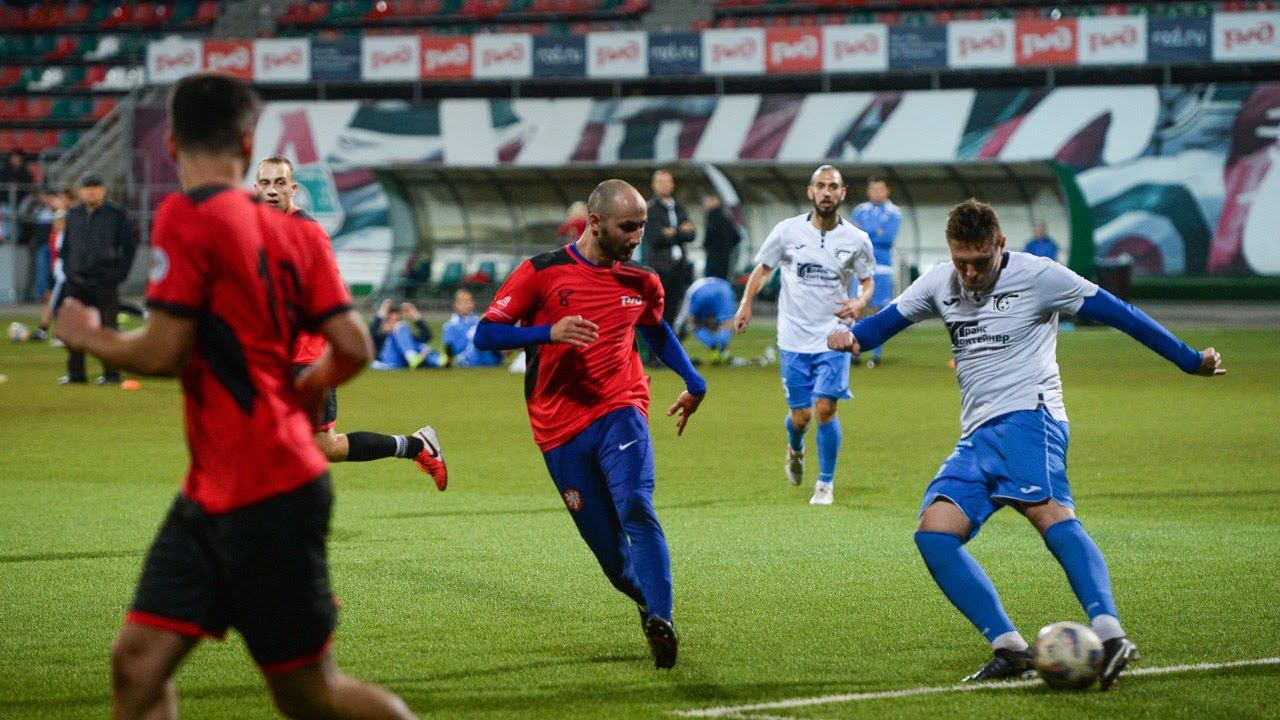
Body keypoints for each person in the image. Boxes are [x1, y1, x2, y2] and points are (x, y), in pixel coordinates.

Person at [54, 73, 417, 720]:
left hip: (266, 494)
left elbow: (163, 352)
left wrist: (88, 335)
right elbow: (355, 346)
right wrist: (300, 393)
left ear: (171, 143)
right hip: (218, 488)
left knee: (309, 695)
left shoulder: (185, 214)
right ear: (248, 147)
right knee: (138, 663)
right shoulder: (296, 234)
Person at [827, 198, 1224, 689]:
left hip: (1031, 418)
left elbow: (1121, 314)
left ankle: (1111, 635)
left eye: (980, 261)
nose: (970, 273)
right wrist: (850, 337)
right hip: (977, 434)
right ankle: (1010, 647)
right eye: (961, 262)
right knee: (935, 533)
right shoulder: (939, 282)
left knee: (1050, 515)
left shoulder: (1039, 276)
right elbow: (882, 325)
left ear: (1001, 245)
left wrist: (1189, 360)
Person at [473, 179, 706, 670]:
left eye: (642, 226)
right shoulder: (540, 272)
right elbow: (485, 335)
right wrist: (547, 333)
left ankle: (662, 619)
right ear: (595, 223)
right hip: (558, 426)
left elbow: (656, 330)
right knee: (612, 560)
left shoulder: (642, 281)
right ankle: (646, 603)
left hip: (621, 407)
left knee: (637, 504)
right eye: (629, 227)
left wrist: (693, 379)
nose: (638, 236)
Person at [255, 154, 446, 483]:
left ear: (293, 188)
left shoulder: (308, 232)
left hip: (307, 358)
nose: (272, 190)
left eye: (280, 183)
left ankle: (415, 446)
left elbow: (334, 293)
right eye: (265, 183)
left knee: (323, 446)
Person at [733, 165, 874, 505]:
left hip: (834, 336)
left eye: (833, 186)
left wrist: (860, 302)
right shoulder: (787, 231)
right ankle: (795, 448)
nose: (826, 192)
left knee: (825, 409)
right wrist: (746, 304)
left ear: (842, 193)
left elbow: (868, 280)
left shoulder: (857, 239)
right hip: (794, 338)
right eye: (820, 186)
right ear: (811, 192)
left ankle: (825, 484)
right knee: (801, 417)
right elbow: (763, 270)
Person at [57, 172, 137, 385]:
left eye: (96, 187)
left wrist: (120, 274)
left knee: (107, 329)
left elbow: (129, 246)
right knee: (74, 328)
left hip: (104, 280)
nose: (92, 191)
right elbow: (66, 247)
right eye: (88, 187)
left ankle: (111, 373)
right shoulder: (73, 214)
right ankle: (76, 374)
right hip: (76, 279)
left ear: (103, 190)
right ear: (80, 191)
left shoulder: (116, 214)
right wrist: (68, 269)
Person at [849, 177, 901, 368]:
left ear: (887, 191)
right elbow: (854, 236)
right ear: (868, 191)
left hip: (882, 269)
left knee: (879, 310)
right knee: (857, 308)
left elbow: (887, 238)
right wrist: (875, 232)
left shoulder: (894, 212)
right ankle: (855, 352)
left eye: (880, 189)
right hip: (861, 267)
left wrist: (865, 232)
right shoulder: (860, 210)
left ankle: (876, 355)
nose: (876, 192)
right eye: (873, 189)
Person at [643, 169, 696, 327]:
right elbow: (655, 237)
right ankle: (656, 342)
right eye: (661, 182)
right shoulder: (650, 209)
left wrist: (672, 232)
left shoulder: (679, 208)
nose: (664, 185)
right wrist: (681, 232)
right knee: (657, 310)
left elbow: (691, 235)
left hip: (679, 267)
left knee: (674, 310)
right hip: (659, 267)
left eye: (667, 181)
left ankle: (670, 340)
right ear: (654, 185)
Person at [674, 276, 737, 363]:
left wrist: (678, 325)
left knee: (694, 324)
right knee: (726, 323)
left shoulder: (694, 287)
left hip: (699, 291)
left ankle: (713, 346)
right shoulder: (726, 286)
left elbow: (686, 315)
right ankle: (723, 350)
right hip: (723, 291)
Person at [368, 299, 443, 370]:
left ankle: (439, 361)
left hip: (403, 362)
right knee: (405, 330)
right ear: (383, 323)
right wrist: (382, 312)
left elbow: (427, 336)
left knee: (423, 347)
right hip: (387, 362)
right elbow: (370, 335)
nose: (394, 324)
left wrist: (415, 315)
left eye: (397, 320)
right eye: (390, 320)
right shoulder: (381, 336)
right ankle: (413, 356)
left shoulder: (404, 337)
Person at [441, 289, 502, 367]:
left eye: (469, 301)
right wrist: (470, 337)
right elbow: (451, 350)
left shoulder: (478, 320)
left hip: (486, 358)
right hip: (464, 359)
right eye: (463, 302)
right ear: (456, 305)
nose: (467, 305)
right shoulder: (450, 326)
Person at [700, 193, 741, 281]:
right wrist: (728, 248)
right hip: (726, 257)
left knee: (711, 281)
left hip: (714, 257)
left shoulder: (712, 215)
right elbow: (737, 237)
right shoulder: (727, 215)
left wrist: (706, 246)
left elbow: (710, 234)